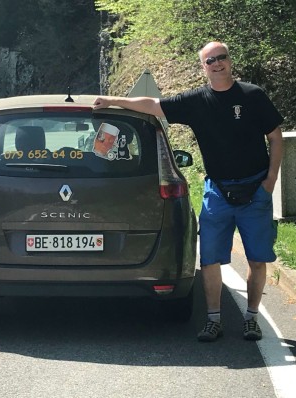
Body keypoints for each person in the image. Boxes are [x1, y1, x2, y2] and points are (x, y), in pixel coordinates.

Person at [93, 41, 283, 342]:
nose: (217, 64)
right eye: (210, 61)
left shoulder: (253, 96)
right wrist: (113, 101)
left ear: (230, 62)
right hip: (217, 192)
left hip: (255, 190)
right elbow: (153, 105)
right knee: (209, 260)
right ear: (203, 67)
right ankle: (213, 320)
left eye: (221, 58)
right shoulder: (196, 101)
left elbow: (275, 137)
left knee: (257, 260)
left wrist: (270, 181)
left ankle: (251, 318)